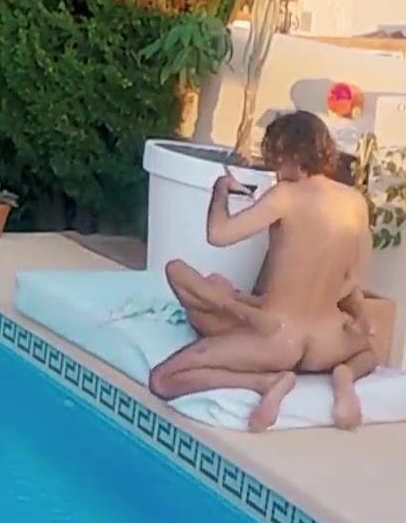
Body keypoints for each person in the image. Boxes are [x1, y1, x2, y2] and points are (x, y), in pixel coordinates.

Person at [147, 111, 378, 432]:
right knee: (368, 353)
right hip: (328, 344)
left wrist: (221, 191)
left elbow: (218, 234)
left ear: (290, 154)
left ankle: (265, 382)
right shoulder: (355, 202)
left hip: (278, 339)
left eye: (275, 161)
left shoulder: (285, 196)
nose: (274, 171)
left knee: (162, 379)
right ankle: (344, 377)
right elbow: (353, 278)